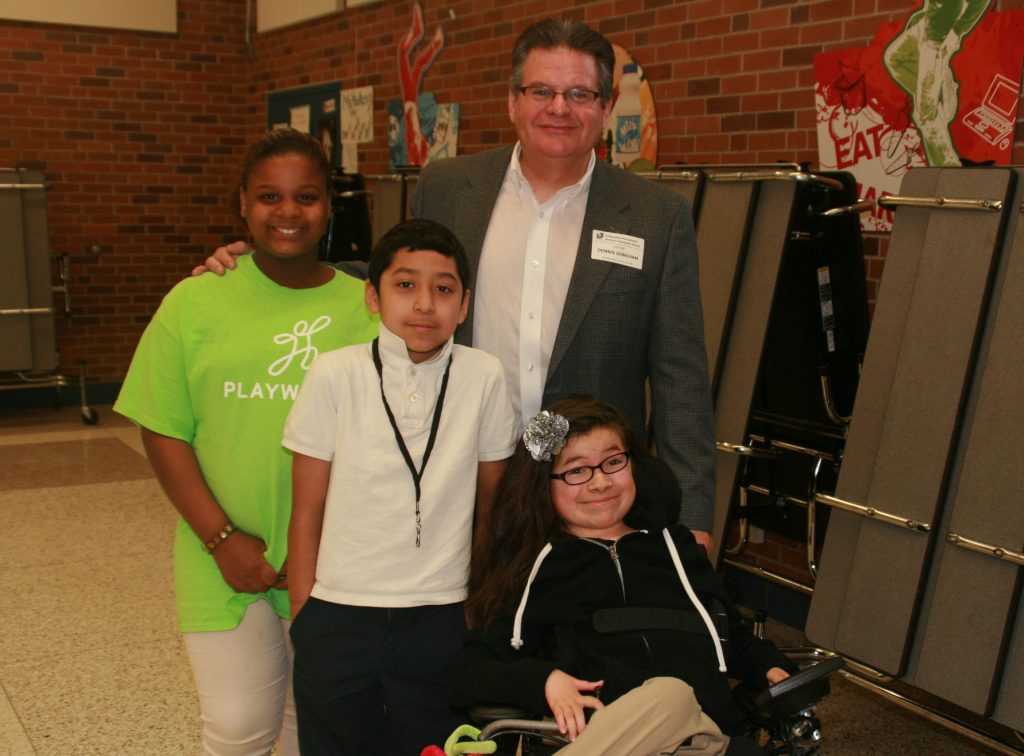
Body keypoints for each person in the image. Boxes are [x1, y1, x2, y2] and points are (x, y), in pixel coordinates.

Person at [193, 19, 715, 554]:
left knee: (585, 632)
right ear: (513, 101)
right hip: (461, 474)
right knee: (470, 627)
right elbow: (391, 277)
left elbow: (681, 374)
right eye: (542, 91)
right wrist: (266, 265)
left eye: (580, 93)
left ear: (605, 108)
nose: (560, 108)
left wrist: (692, 514)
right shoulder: (448, 188)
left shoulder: (657, 216)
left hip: (593, 487)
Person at [114, 128, 379, 755]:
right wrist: (222, 539)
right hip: (222, 553)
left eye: (306, 197)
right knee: (237, 727)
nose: (287, 213)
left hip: (338, 561)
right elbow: (162, 426)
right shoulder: (195, 300)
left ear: (329, 206)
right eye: (269, 196)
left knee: (302, 724)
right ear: (242, 204)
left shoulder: (367, 307)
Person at [282, 218, 517, 755]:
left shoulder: (483, 376)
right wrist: (304, 614)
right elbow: (307, 510)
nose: (425, 304)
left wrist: (477, 607)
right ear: (373, 295)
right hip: (340, 611)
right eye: (405, 285)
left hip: (441, 612)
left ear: (464, 304)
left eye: (444, 288)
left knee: (434, 747)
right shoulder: (334, 374)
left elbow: (492, 507)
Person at [453, 396, 796, 755]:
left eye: (613, 462)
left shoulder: (676, 548)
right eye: (576, 470)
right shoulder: (534, 568)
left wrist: (769, 665)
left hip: (703, 739)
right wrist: (544, 681)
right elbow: (469, 674)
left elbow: (729, 637)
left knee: (676, 697)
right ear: (546, 483)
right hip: (608, 739)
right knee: (670, 694)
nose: (600, 482)